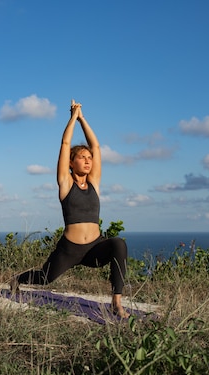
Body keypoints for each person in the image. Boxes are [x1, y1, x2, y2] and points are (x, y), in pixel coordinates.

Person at [10, 100, 130, 318]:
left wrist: (83, 118)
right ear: (71, 163)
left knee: (118, 245)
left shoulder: (93, 183)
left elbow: (96, 147)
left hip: (95, 247)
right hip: (69, 250)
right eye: (82, 157)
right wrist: (73, 118)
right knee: (45, 278)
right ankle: (17, 278)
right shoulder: (65, 184)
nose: (88, 160)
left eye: (89, 158)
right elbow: (65, 144)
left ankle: (117, 302)